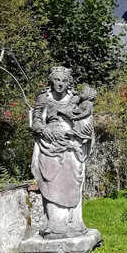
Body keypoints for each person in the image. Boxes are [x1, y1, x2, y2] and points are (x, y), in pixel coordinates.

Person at [31, 67, 95, 238]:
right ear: (51, 80)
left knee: (72, 182)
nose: (60, 84)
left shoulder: (75, 99)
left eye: (64, 81)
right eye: (57, 80)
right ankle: (54, 224)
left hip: (70, 145)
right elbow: (36, 121)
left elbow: (86, 119)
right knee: (50, 183)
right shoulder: (43, 98)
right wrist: (43, 130)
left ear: (69, 82)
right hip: (49, 144)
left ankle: (72, 223)